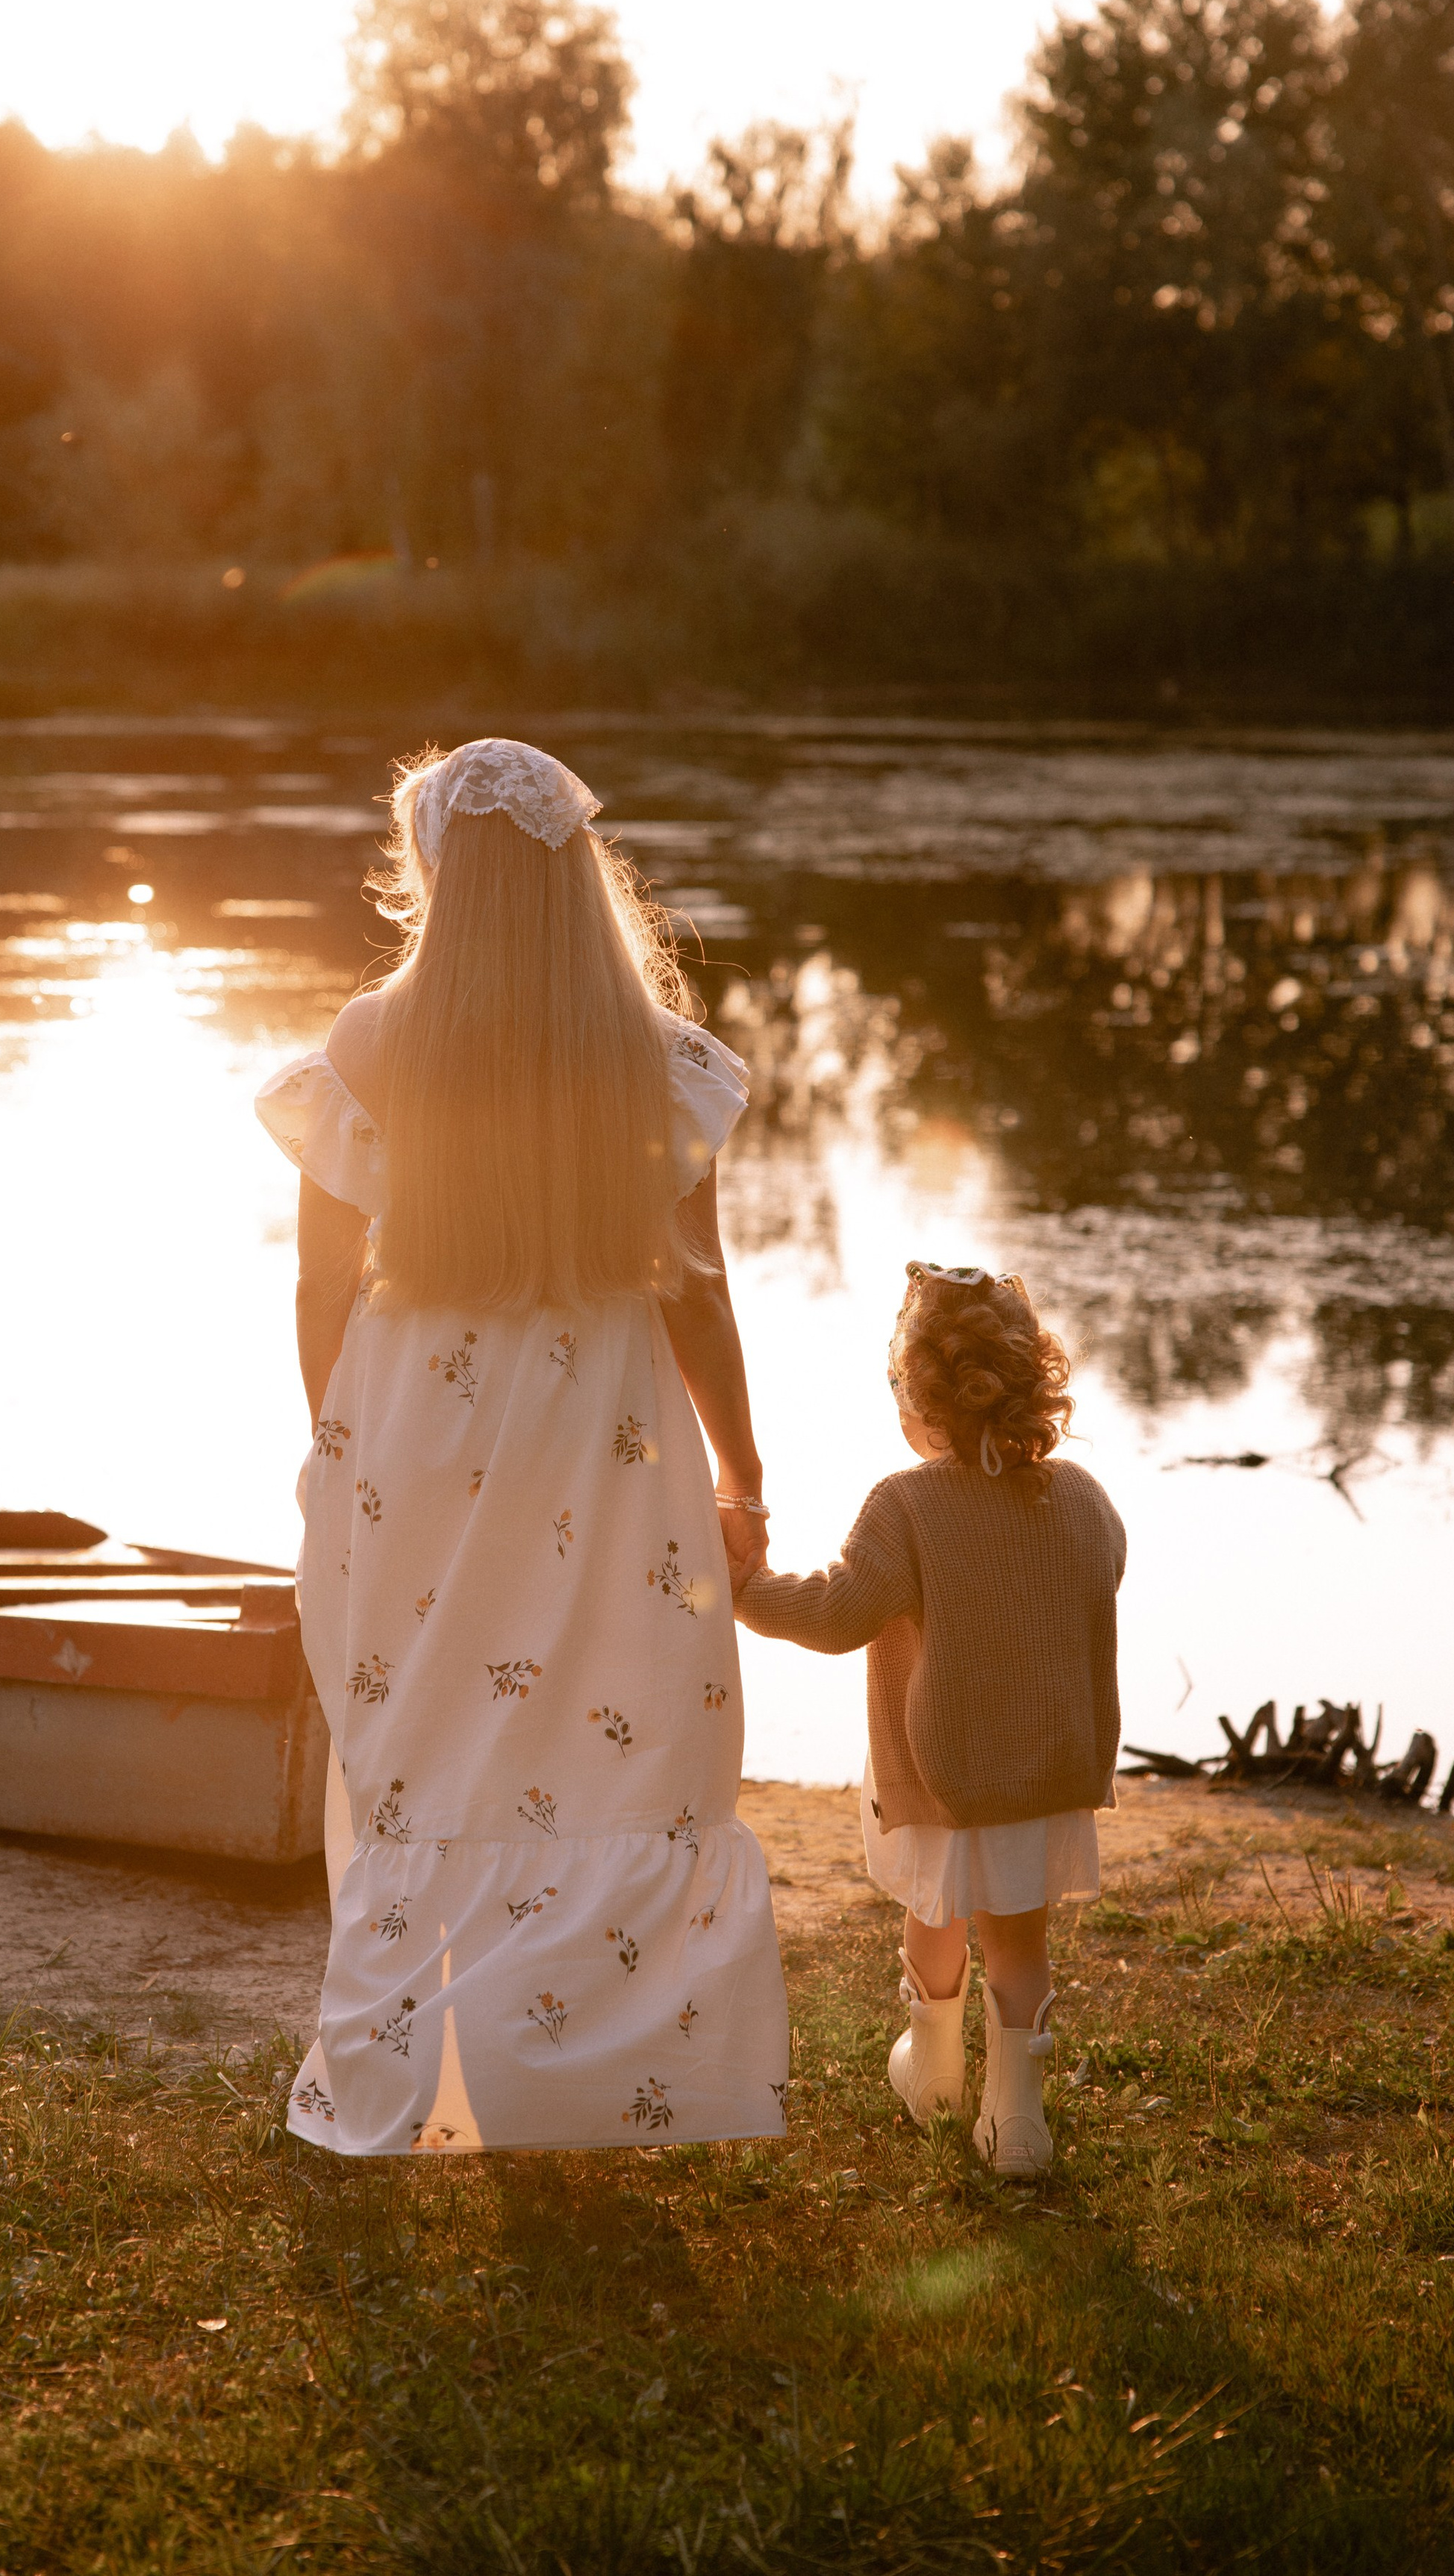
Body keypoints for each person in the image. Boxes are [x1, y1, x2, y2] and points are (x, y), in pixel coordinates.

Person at [255, 737, 788, 2156]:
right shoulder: (660, 1059)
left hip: (416, 1427)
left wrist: (336, 1436)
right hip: (605, 1439)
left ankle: (394, 2079)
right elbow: (706, 1295)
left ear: (440, 870)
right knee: (610, 1731)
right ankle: (592, 2081)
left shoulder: (372, 1037)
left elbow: (320, 1283)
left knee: (424, 1735)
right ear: (574, 874)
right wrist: (742, 1472)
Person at [729, 1263, 1123, 2176]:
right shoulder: (1082, 1498)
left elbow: (835, 1613)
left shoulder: (906, 1503)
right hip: (1045, 1768)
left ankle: (936, 2073)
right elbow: (1102, 1576)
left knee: (935, 1915)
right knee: (1020, 1941)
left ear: (919, 1402)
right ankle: (1016, 2123)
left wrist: (744, 1591)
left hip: (944, 1772)